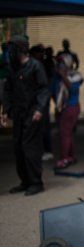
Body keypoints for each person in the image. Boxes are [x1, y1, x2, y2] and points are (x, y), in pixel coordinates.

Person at [2, 35, 50, 196]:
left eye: (12, 49)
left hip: (33, 115)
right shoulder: (13, 69)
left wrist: (39, 110)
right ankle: (25, 181)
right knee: (18, 148)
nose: (9, 53)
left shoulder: (35, 66)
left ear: (20, 50)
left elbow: (44, 89)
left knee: (30, 149)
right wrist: (6, 110)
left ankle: (36, 182)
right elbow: (7, 90)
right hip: (18, 114)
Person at [53, 54, 83, 168]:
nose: (59, 66)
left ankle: (64, 159)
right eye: (58, 63)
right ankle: (71, 157)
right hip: (63, 108)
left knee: (65, 135)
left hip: (71, 107)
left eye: (62, 63)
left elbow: (72, 89)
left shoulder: (74, 76)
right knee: (67, 134)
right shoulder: (57, 77)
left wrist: (63, 75)